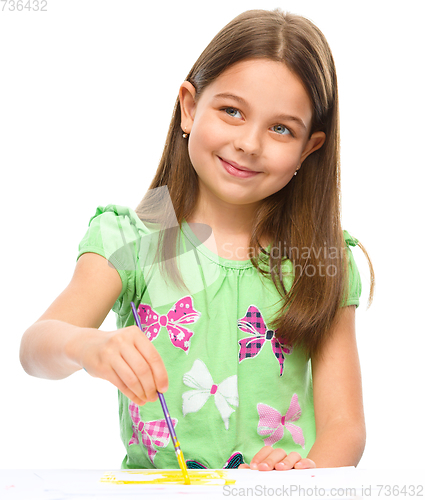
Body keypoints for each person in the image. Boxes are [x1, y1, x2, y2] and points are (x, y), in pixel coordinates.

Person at [20, 8, 374, 471]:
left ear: (308, 149)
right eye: (232, 111)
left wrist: (302, 478)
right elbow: (36, 348)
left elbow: (345, 423)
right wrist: (88, 347)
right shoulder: (134, 238)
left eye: (281, 128)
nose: (249, 143)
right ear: (189, 107)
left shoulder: (322, 261)